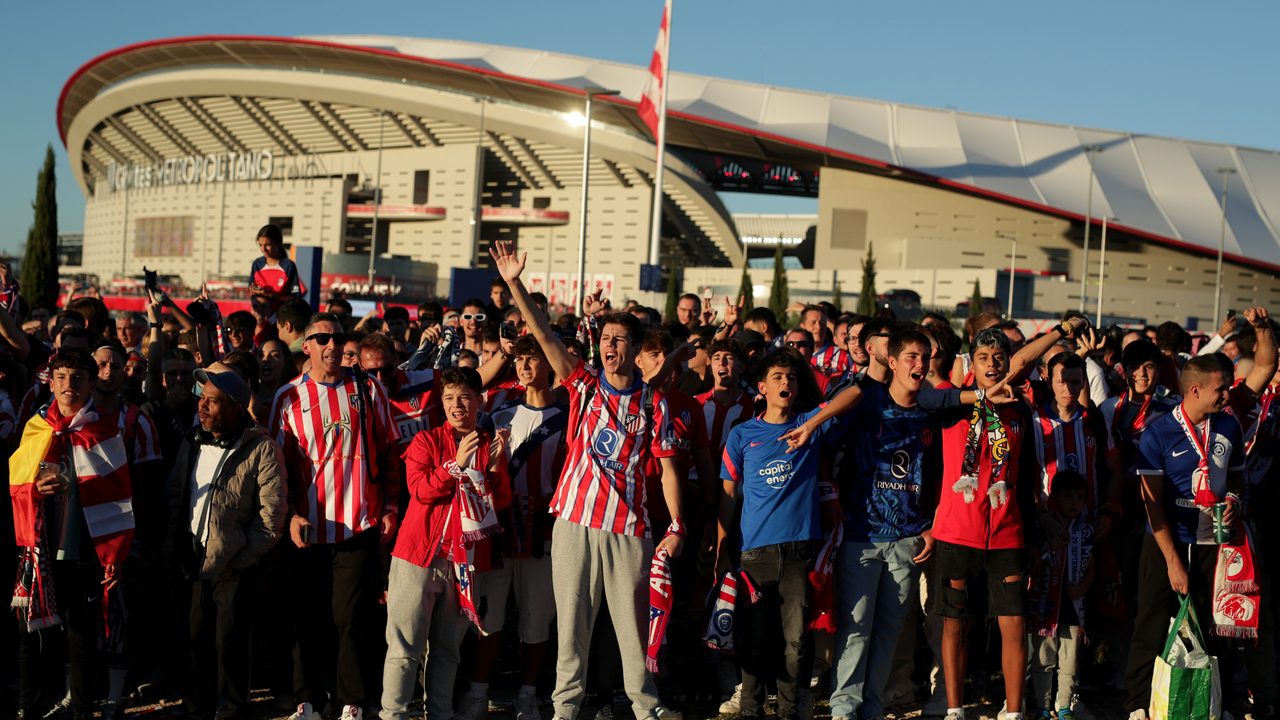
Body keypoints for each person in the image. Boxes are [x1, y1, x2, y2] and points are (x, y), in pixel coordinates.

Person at [489, 240, 684, 720]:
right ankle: (565, 709)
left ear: (638, 351)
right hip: (574, 523)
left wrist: (677, 525)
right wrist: (515, 283)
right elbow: (546, 336)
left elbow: (669, 472)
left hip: (629, 532)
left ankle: (645, 707)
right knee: (571, 628)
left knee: (633, 633)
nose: (610, 346)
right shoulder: (584, 382)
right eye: (606, 339)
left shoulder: (655, 405)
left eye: (620, 340)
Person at [270, 313, 402, 720]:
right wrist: (289, 515)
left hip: (358, 523)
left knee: (350, 618)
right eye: (321, 338)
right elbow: (275, 467)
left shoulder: (368, 389)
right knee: (307, 617)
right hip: (307, 527)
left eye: (337, 337)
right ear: (304, 346)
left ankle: (352, 702)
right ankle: (308, 699)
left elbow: (390, 452)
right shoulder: (288, 397)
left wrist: (393, 505)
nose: (331, 345)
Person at [381, 367, 511, 720]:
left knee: (447, 651)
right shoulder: (426, 440)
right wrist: (456, 465)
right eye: (450, 398)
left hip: (463, 564)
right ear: (441, 402)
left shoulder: (489, 444)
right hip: (417, 557)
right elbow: (420, 491)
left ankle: (439, 714)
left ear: (479, 402)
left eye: (465, 397)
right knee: (404, 647)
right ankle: (392, 714)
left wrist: (496, 468)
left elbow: (499, 505)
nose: (457, 405)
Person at [12, 349, 134, 720]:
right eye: (62, 377)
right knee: (30, 638)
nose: (69, 385)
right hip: (40, 550)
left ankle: (82, 709)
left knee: (81, 637)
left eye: (78, 377)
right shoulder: (36, 427)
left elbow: (119, 496)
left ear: (90, 383)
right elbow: (15, 483)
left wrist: (114, 556)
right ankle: (28, 707)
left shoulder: (105, 429)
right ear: (50, 381)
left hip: (83, 551)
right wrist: (34, 488)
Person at [1124, 355, 1248, 720]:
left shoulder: (1229, 425)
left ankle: (1215, 701)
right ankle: (1137, 703)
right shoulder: (1158, 432)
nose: (1227, 394)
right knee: (1150, 619)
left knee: (1218, 623)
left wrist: (1235, 500)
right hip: (1168, 540)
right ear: (1195, 390)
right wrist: (1173, 561)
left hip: (1216, 541)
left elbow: (1238, 477)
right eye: (1221, 388)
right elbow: (1152, 504)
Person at [716, 349, 833, 720]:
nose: (787, 383)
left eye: (792, 378)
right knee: (755, 641)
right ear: (763, 387)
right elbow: (728, 495)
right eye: (779, 377)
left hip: (799, 551)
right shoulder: (742, 434)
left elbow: (854, 395)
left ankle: (788, 710)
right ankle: (751, 710)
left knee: (796, 642)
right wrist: (720, 546)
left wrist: (813, 425)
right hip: (755, 554)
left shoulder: (807, 424)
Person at [455, 336, 567, 720]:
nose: (524, 367)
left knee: (537, 618)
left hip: (543, 532)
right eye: (519, 359)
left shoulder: (569, 416)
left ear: (549, 363)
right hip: (498, 529)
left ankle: (527, 694)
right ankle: (478, 693)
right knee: (490, 617)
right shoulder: (499, 409)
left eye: (533, 359)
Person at [167, 362, 287, 719]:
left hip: (233, 562)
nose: (202, 406)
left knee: (229, 642)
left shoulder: (262, 449)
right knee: (195, 637)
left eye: (213, 401)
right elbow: (175, 493)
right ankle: (196, 706)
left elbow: (272, 516)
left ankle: (232, 707)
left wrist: (241, 557)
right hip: (192, 557)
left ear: (235, 407)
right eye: (202, 399)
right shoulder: (192, 440)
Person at [1028, 470, 1093, 720]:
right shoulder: (1042, 529)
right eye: (1068, 497)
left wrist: (1083, 588)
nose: (1074, 503)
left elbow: (1093, 568)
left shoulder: (1086, 531)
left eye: (1079, 498)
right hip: (1045, 603)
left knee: (1070, 660)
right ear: (1053, 498)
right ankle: (1043, 705)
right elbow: (1031, 562)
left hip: (1073, 605)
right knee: (1044, 657)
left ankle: (1064, 705)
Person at [250, 224, 305, 307]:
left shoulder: (289, 266)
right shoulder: (257, 264)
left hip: (280, 317)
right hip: (260, 317)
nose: (263, 249)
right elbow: (251, 290)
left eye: (267, 245)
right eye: (260, 245)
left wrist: (271, 295)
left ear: (278, 243)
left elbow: (295, 298)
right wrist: (253, 290)